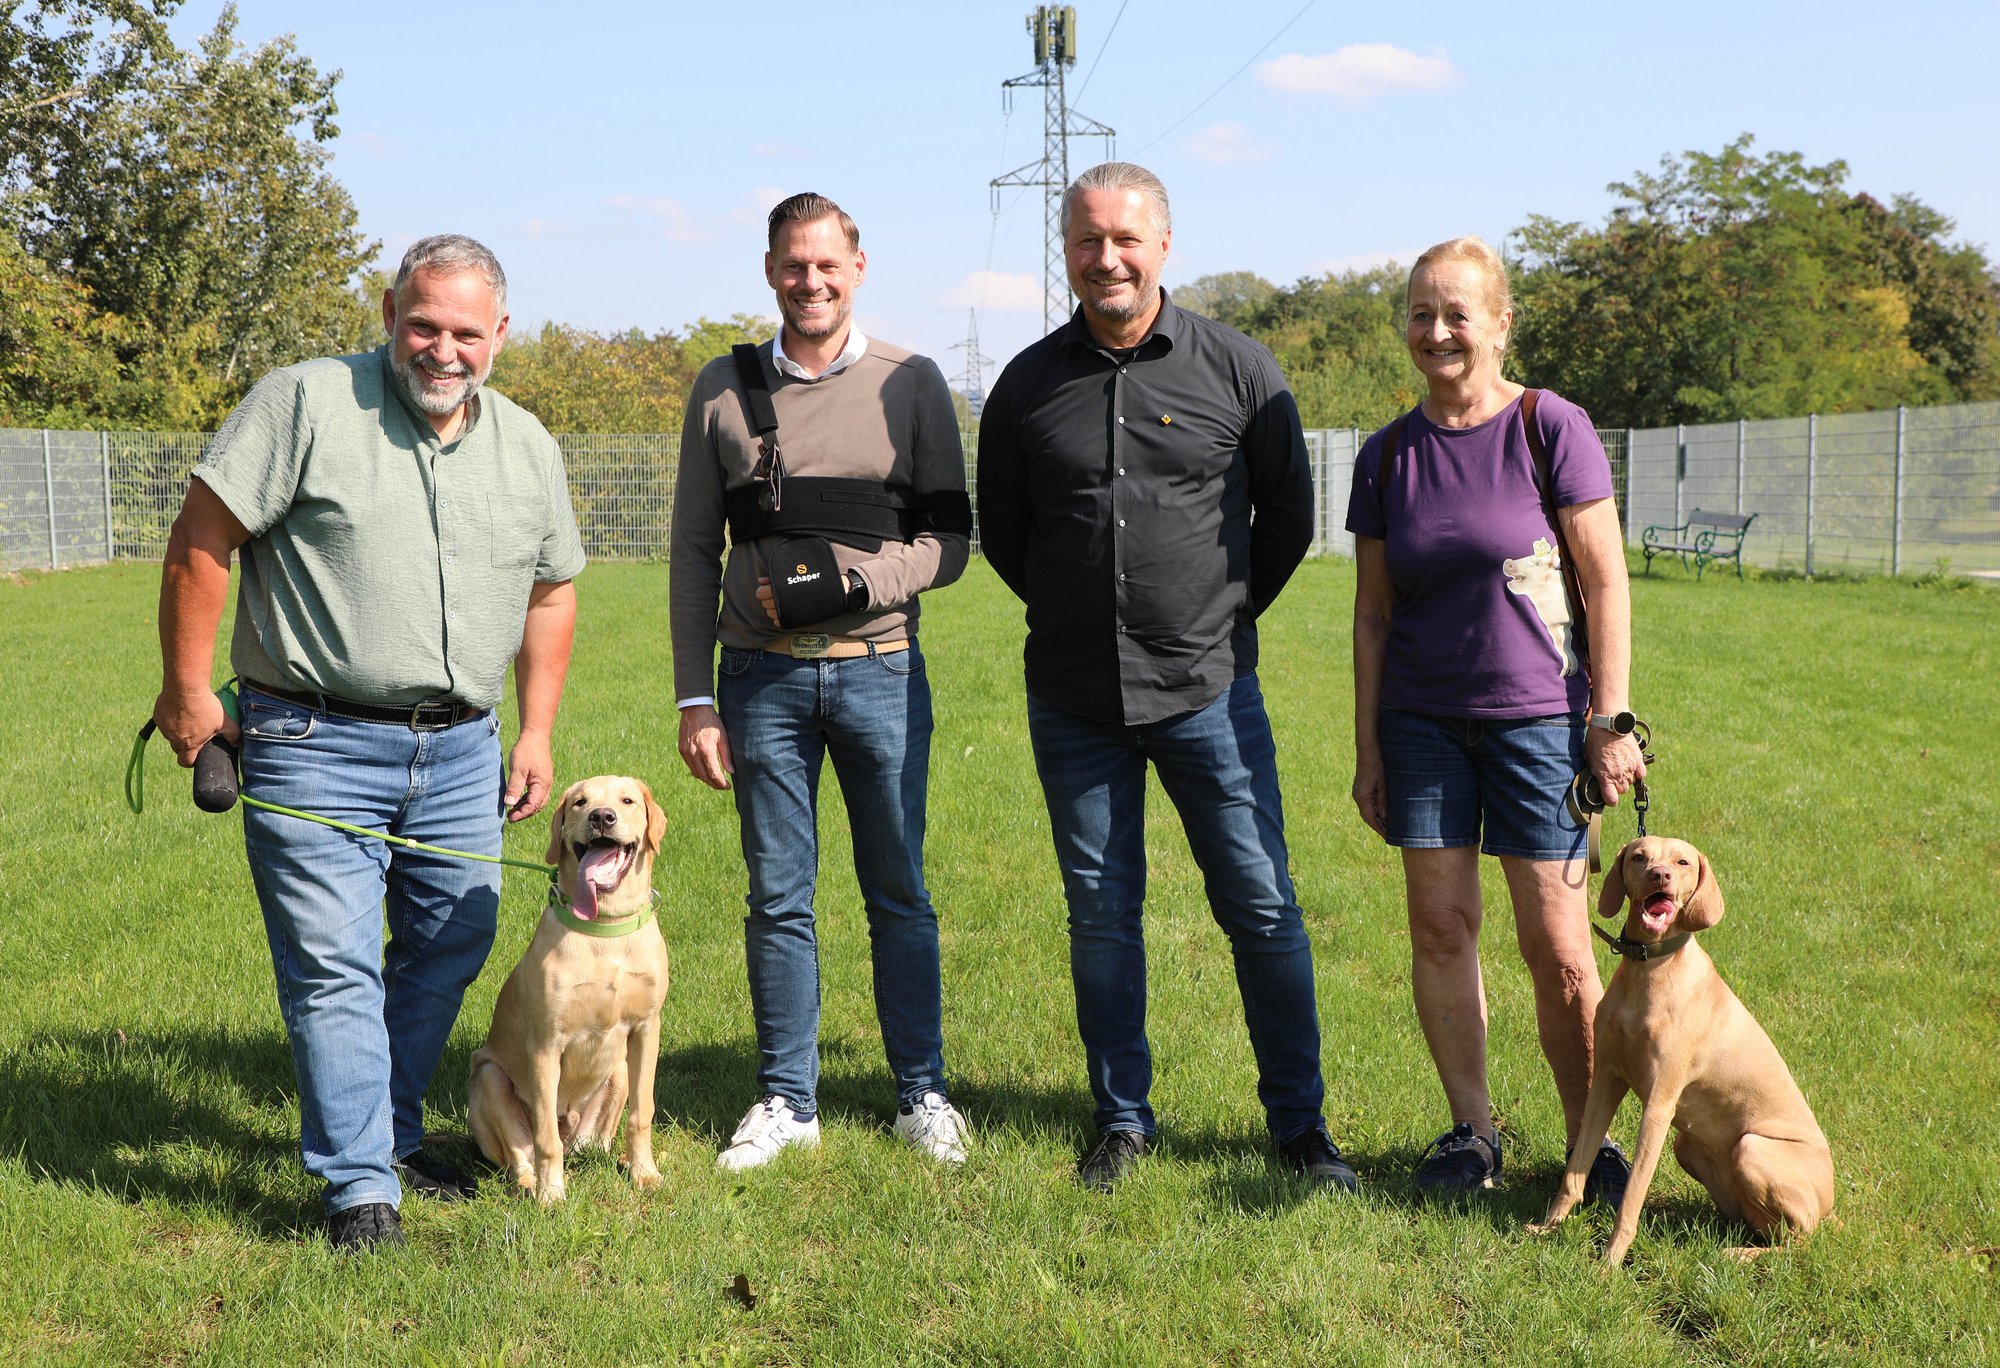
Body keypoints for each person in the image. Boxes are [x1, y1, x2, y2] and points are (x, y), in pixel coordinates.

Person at [151, 234, 585, 1250]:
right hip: (310, 735)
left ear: (500, 336)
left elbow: (552, 590)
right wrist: (184, 689)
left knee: (453, 942)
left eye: (465, 333)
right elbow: (202, 538)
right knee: (334, 965)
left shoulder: (526, 445)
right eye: (423, 324)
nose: (443, 350)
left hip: (464, 749)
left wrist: (537, 732)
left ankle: (385, 1131)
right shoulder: (303, 403)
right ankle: (357, 1190)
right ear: (389, 312)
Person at [978, 162, 1356, 1193]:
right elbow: (1006, 534)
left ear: (1162, 245)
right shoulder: (1023, 386)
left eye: (1125, 238)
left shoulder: (1239, 370)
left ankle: (1299, 1129)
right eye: (1085, 240)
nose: (1106, 257)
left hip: (1207, 691)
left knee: (1261, 906)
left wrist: (1214, 617)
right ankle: (1121, 1121)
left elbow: (1283, 522)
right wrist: (1074, 613)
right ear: (1063, 252)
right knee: (1099, 914)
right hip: (1073, 700)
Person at [671, 192, 972, 1170]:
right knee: (778, 899)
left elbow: (950, 541)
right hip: (757, 682)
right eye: (792, 266)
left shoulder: (914, 383)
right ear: (769, 271)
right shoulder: (721, 388)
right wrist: (693, 698)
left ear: (857, 267)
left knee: (898, 892)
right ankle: (786, 1101)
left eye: (826, 265)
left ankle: (920, 1093)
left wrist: (857, 584)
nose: (810, 281)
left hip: (880, 673)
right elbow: (688, 552)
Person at [1346, 235, 1647, 1200]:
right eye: (1423, 315)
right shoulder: (1387, 455)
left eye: (1457, 314)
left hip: (1539, 727)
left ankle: (1588, 1142)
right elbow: (1373, 613)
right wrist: (1368, 748)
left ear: (1500, 323)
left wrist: (1611, 718)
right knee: (1441, 930)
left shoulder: (1549, 426)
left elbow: (1604, 580)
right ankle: (1471, 1136)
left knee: (1559, 949)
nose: (1438, 332)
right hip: (1423, 725)